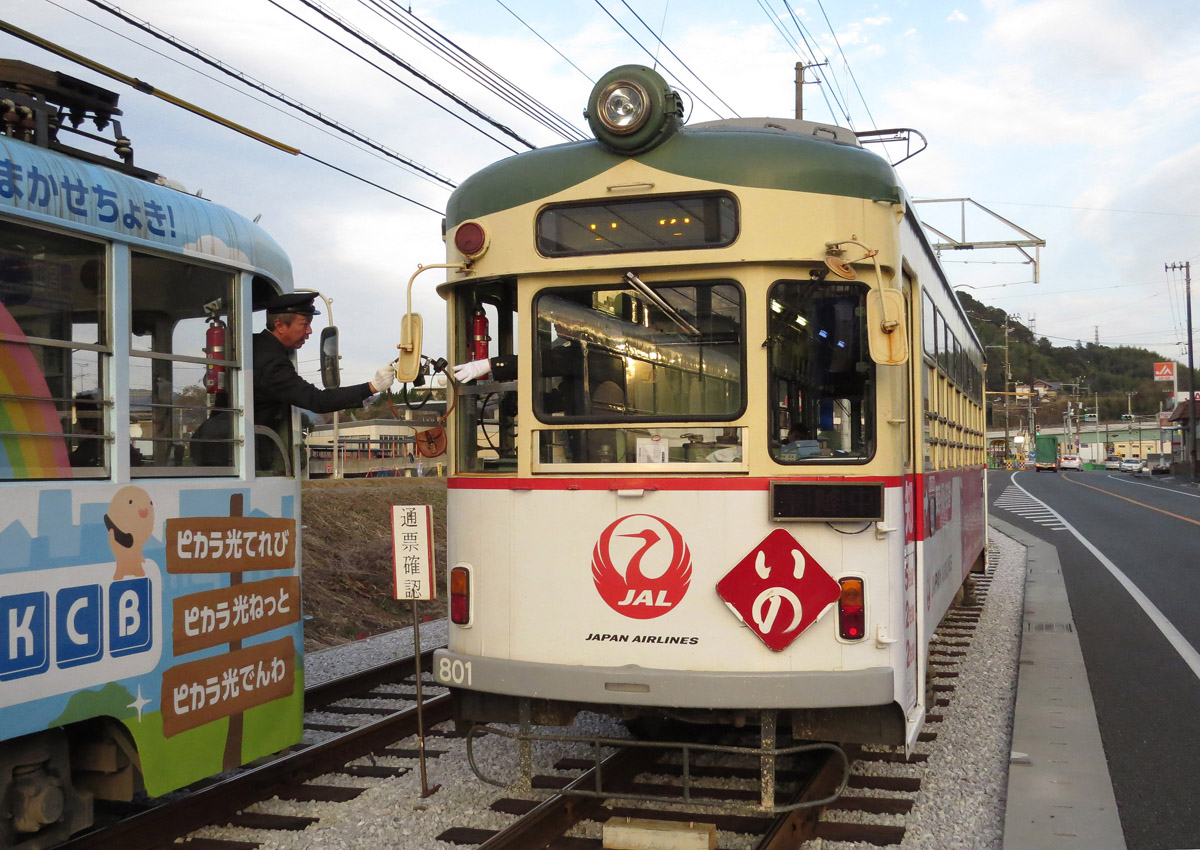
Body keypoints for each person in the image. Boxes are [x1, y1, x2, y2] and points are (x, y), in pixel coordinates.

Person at [253, 292, 396, 470]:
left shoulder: (257, 346)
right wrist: (373, 386)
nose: (309, 331)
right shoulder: (272, 362)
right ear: (280, 325)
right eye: (304, 324)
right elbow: (317, 400)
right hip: (255, 454)